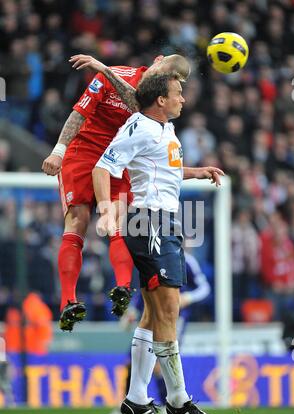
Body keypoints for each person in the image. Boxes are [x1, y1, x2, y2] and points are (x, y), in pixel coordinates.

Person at [92, 71, 224, 414]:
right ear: (160, 100)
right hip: (149, 222)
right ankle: (179, 398)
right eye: (177, 93)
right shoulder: (140, 126)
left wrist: (198, 172)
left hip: (164, 222)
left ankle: (136, 397)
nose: (183, 98)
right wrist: (105, 208)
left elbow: (167, 169)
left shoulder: (165, 129)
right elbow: (103, 166)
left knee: (153, 315)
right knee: (168, 310)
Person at [41, 53, 191, 331]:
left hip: (119, 158)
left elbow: (138, 102)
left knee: (119, 222)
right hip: (84, 151)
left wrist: (103, 69)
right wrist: (58, 151)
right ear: (157, 62)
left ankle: (122, 288)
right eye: (169, 75)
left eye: (174, 81)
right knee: (78, 219)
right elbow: (79, 113)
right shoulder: (115, 74)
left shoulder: (153, 96)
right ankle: (68, 301)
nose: (170, 84)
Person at [98, 251, 211, 414]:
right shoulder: (148, 257)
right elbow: (146, 289)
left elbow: (204, 288)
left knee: (159, 365)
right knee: (131, 363)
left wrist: (188, 298)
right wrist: (133, 311)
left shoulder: (185, 259)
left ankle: (169, 411)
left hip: (173, 318)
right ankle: (127, 408)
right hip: (148, 316)